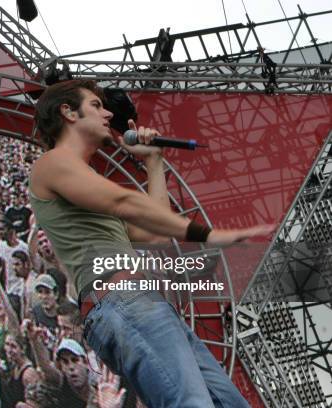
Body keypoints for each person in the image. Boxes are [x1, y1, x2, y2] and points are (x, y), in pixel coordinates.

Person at [28, 79, 274, 407]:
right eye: (96, 106)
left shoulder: (87, 185)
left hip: (140, 302)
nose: (108, 114)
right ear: (68, 113)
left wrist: (153, 162)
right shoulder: (51, 163)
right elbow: (123, 203)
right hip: (122, 301)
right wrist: (205, 233)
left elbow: (155, 229)